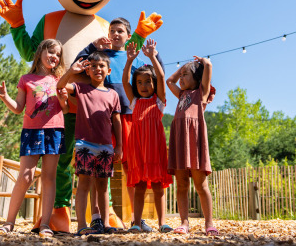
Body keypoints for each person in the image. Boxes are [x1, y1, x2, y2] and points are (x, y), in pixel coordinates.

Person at [73, 14, 163, 232]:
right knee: (97, 169)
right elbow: (79, 61)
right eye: (112, 31)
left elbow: (156, 76)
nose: (115, 34)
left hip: (132, 117)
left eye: (120, 31)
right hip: (104, 118)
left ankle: (136, 218)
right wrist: (92, 45)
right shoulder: (101, 56)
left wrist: (156, 55)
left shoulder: (137, 59)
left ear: (128, 36)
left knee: (132, 168)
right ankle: (96, 217)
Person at [0, 39, 69, 238]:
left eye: (58, 54)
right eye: (51, 52)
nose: (54, 57)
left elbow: (66, 109)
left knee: (50, 178)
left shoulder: (60, 79)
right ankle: (9, 222)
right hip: (31, 131)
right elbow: (17, 108)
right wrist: (4, 96)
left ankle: (45, 225)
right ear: (41, 52)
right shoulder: (26, 79)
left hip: (54, 131)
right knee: (26, 176)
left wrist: (63, 98)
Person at [56, 51, 122, 235]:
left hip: (106, 146)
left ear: (108, 71)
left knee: (102, 186)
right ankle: (81, 225)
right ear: (88, 71)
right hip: (84, 144)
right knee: (84, 184)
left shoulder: (113, 95)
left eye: (101, 66)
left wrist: (119, 146)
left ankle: (106, 224)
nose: (97, 69)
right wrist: (71, 71)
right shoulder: (80, 88)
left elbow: (116, 121)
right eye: (93, 66)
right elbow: (60, 85)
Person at [122, 39, 173, 233]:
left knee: (159, 186)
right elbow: (124, 80)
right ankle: (136, 222)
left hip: (155, 150)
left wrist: (152, 57)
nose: (143, 85)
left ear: (154, 83)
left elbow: (161, 75)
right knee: (140, 186)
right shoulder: (134, 101)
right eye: (140, 82)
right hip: (139, 151)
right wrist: (129, 60)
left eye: (148, 81)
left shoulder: (158, 101)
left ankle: (162, 223)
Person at [166, 56, 219, 236]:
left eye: (185, 75)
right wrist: (182, 69)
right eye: (181, 75)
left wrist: (202, 62)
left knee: (201, 185)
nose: (180, 79)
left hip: (194, 143)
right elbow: (169, 81)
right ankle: (184, 222)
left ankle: (209, 223)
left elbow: (209, 66)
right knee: (181, 185)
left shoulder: (201, 94)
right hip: (180, 142)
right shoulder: (181, 94)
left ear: (197, 79)